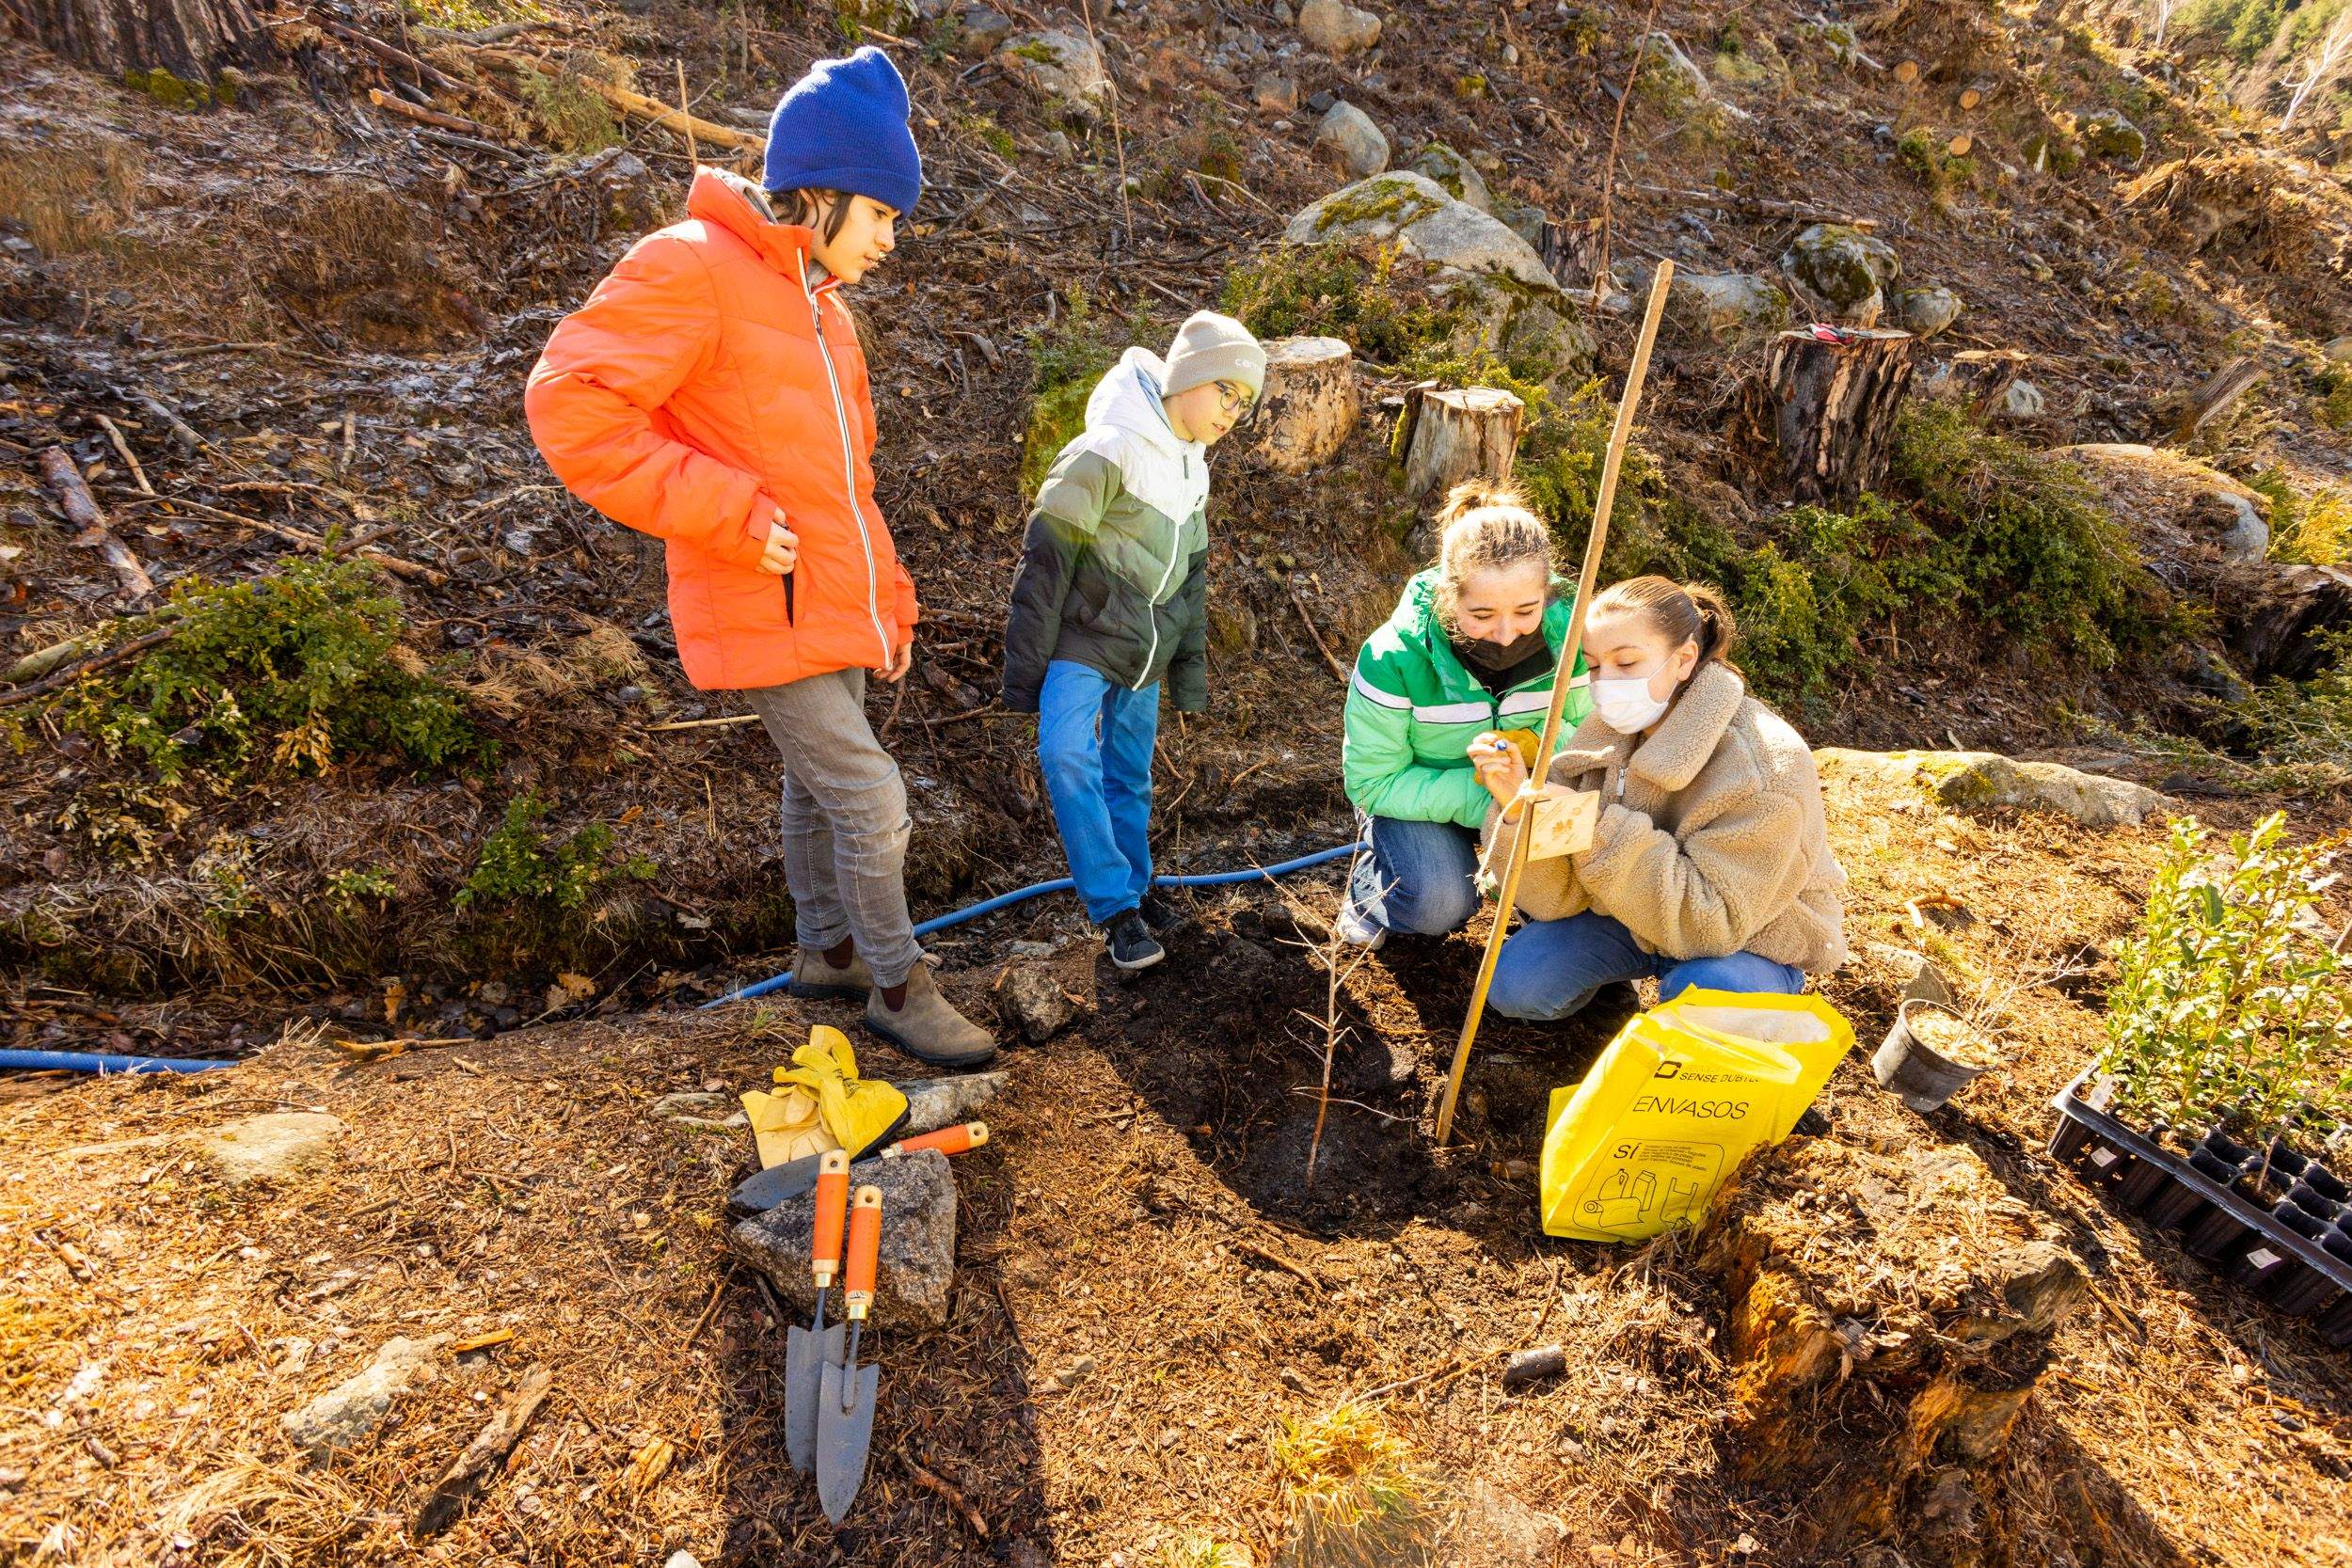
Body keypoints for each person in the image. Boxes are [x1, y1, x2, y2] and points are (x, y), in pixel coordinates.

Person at [525, 47, 996, 1067]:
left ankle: (826, 954)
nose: (891, 239)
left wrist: (889, 601)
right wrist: (725, 511)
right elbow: (569, 400)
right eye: (882, 213)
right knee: (871, 797)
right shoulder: (691, 264)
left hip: (825, 596)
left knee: (817, 789)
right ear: (823, 192)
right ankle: (898, 987)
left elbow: (848, 487)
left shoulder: (826, 311)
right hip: (756, 594)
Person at [1000, 313, 1267, 972]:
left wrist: (1189, 676)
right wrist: (1024, 669)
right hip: (1083, 638)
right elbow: (1046, 558)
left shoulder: (1194, 468)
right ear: (1189, 377)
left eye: (1245, 402)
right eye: (1226, 391)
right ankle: (1113, 907)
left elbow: (1191, 580)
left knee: (1131, 774)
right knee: (1066, 752)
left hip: (1145, 653)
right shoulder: (1110, 445)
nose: (1233, 412)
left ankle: (1138, 891)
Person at [1470, 577, 1846, 1020]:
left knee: (1707, 998)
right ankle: (1616, 994)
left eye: (1626, 662)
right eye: (1594, 666)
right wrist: (1519, 809)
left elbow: (1713, 924)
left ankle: (1769, 986)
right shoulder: (1604, 735)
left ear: (1684, 659)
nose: (1606, 683)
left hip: (1746, 938)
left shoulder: (1766, 769)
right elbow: (1556, 898)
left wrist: (1591, 827)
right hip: (1631, 915)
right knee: (1515, 986)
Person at [1336, 481, 1593, 950]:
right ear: (1447, 596)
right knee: (1438, 905)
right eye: (1482, 614)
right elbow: (1372, 782)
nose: (1506, 633)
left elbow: (1586, 736)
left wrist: (1532, 750)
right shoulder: (1393, 656)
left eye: (1526, 611)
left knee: (1575, 887)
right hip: (1415, 799)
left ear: (1547, 592)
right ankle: (1370, 888)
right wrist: (1492, 800)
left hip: (1524, 792)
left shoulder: (1574, 638)